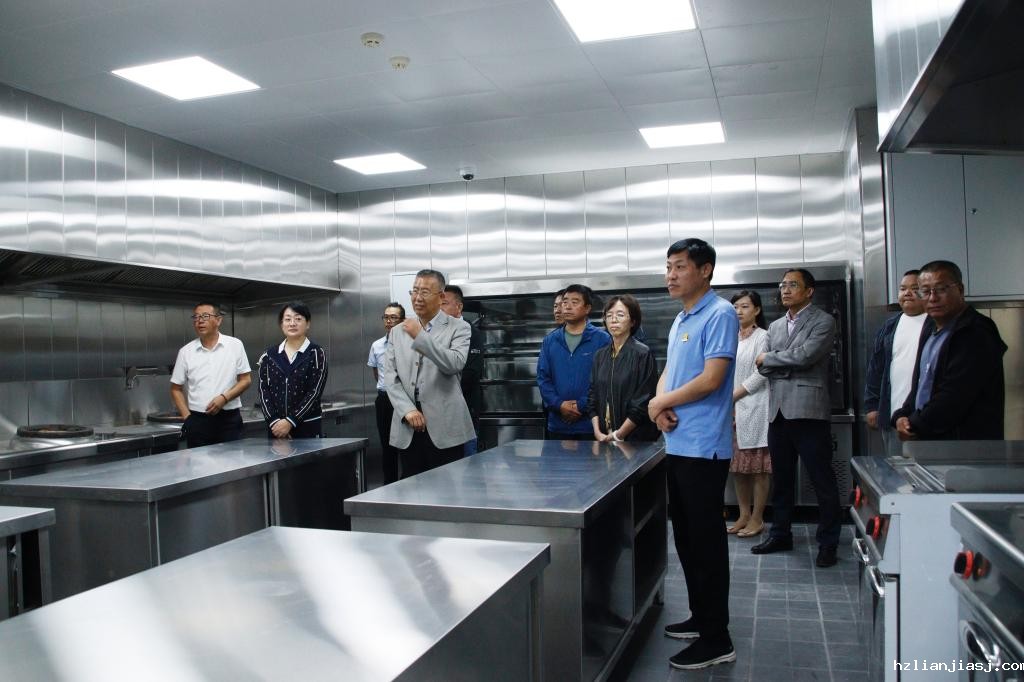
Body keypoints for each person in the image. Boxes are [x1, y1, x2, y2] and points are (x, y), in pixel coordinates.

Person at [647, 238, 738, 671]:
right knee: (686, 538)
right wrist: (660, 403)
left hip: (704, 447)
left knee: (706, 544)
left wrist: (661, 403)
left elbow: (711, 379)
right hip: (679, 443)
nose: (671, 275)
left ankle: (717, 639)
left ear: (705, 270)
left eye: (680, 266)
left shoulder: (720, 313)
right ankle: (702, 617)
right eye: (668, 267)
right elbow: (671, 371)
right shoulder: (682, 317)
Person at [752, 268, 842, 569]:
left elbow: (807, 356)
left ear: (809, 291)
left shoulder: (823, 321)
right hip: (778, 411)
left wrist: (773, 360)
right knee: (782, 480)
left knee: (821, 479)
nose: (785, 290)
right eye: (783, 285)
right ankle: (780, 534)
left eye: (792, 285)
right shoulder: (775, 326)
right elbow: (761, 367)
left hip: (809, 410)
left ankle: (828, 543)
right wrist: (778, 362)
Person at [892, 260, 1007, 440]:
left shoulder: (975, 331)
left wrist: (914, 425)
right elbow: (921, 383)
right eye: (925, 291)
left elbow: (954, 396)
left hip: (966, 446)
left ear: (960, 290)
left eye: (941, 289)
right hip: (930, 440)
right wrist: (902, 415)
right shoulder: (930, 329)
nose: (932, 298)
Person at [383, 269, 475, 478]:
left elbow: (454, 363)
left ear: (441, 297)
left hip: (445, 426)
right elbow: (390, 376)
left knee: (448, 488)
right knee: (411, 487)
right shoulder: (397, 331)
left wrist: (420, 336)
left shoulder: (459, 327)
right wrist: (407, 410)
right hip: (408, 425)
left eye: (424, 292)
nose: (417, 297)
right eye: (414, 291)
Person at [170, 302, 252, 448]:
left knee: (232, 461)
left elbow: (245, 380)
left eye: (205, 316)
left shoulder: (235, 345)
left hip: (229, 421)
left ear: (218, 320)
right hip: (198, 421)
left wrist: (224, 398)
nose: (199, 321)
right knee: (199, 462)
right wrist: (187, 418)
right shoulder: (185, 352)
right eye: (196, 317)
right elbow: (175, 388)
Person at [864, 270, 927, 456]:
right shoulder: (890, 326)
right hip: (891, 415)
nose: (907, 293)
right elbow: (876, 368)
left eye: (914, 288)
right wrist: (872, 406)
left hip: (924, 415)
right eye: (902, 288)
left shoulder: (935, 323)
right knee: (896, 469)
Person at [537, 284, 610, 439]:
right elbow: (543, 379)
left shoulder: (602, 339)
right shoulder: (550, 341)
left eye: (574, 302)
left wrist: (581, 405)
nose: (567, 306)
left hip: (591, 426)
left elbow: (605, 380)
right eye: (565, 302)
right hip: (557, 425)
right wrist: (560, 405)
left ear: (587, 308)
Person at [727, 290, 771, 539]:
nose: (739, 311)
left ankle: (757, 517)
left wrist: (734, 396)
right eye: (735, 307)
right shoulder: (729, 337)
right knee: (738, 466)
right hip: (729, 410)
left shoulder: (763, 337)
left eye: (744, 306)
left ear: (757, 310)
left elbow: (762, 373)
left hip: (754, 406)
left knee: (757, 467)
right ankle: (743, 514)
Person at [588, 294, 659, 443]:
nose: (613, 320)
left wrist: (619, 435)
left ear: (633, 321)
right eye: (609, 315)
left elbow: (643, 401)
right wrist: (597, 432)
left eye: (620, 315)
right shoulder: (600, 355)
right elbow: (593, 396)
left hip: (634, 438)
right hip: (604, 436)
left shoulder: (642, 354)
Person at [256, 301, 328, 439]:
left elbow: (315, 392)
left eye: (298, 319)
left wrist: (290, 421)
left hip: (307, 427)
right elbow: (263, 390)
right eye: (288, 319)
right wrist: (274, 422)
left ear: (308, 324)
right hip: (276, 430)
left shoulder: (316, 353)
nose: (292, 323)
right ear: (281, 324)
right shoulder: (269, 355)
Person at [442, 284, 484, 455]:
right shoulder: (436, 332)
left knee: (466, 462)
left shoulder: (471, 332)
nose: (439, 308)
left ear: (459, 307)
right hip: (440, 414)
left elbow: (471, 373)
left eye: (444, 303)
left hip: (464, 408)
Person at [368, 302, 405, 483]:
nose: (389, 321)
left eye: (394, 318)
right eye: (386, 317)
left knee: (407, 446)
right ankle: (389, 485)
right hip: (384, 399)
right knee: (386, 445)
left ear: (402, 320)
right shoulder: (376, 346)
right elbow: (377, 373)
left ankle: (409, 484)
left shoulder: (410, 343)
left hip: (405, 400)